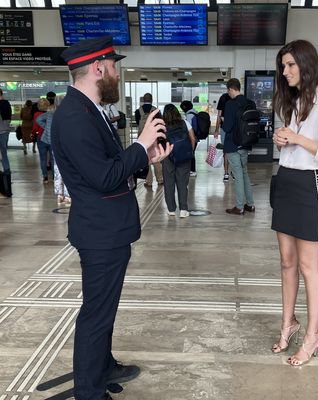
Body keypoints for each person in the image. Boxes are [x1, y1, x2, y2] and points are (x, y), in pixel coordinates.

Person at [51, 36, 171, 400]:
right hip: (100, 232)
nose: (118, 73)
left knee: (103, 309)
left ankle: (102, 367)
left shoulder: (88, 109)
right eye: (115, 66)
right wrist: (140, 143)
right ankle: (89, 390)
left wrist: (143, 159)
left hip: (108, 229)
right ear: (98, 67)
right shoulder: (74, 116)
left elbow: (106, 168)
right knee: (96, 314)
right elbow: (102, 178)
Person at [270, 40, 318, 366]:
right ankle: (288, 323)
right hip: (285, 181)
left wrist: (298, 138)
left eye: (290, 65)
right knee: (287, 262)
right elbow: (292, 146)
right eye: (283, 66)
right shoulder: (292, 100)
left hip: (309, 186)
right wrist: (281, 139)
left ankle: (312, 335)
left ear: (305, 64)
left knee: (307, 266)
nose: (285, 72)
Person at [222, 78, 256, 215]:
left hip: (233, 144)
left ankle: (239, 206)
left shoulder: (230, 104)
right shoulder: (250, 103)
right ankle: (250, 204)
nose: (228, 93)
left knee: (238, 175)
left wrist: (224, 122)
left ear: (231, 89)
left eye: (228, 91)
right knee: (244, 173)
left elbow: (228, 127)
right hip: (246, 143)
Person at [161, 104, 196, 217]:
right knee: (182, 182)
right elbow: (193, 138)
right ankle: (183, 210)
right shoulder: (185, 123)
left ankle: (171, 209)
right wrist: (190, 151)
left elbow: (158, 143)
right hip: (184, 156)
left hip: (168, 156)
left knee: (168, 183)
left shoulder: (163, 126)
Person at [37, 95, 70, 204]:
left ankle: (59, 194)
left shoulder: (51, 114)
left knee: (57, 169)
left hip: (53, 143)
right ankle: (67, 194)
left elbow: (39, 120)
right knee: (67, 168)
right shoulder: (67, 114)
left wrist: (46, 129)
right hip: (64, 144)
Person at [136, 93, 163, 187]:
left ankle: (148, 181)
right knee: (156, 157)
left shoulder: (138, 111)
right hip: (154, 137)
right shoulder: (156, 110)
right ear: (152, 99)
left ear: (143, 99)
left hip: (142, 138)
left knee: (146, 159)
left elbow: (137, 123)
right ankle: (160, 179)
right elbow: (160, 123)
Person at [214, 91, 231, 181]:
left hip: (224, 128)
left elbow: (219, 115)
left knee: (226, 150)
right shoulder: (238, 99)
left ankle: (226, 173)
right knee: (234, 150)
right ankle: (232, 172)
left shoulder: (223, 97)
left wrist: (217, 129)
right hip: (234, 129)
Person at [33, 98, 51, 183]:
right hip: (51, 137)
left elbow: (35, 127)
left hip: (40, 137)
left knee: (43, 158)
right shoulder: (51, 114)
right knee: (53, 158)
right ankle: (54, 177)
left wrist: (33, 133)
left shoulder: (36, 114)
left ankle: (45, 177)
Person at [180, 100, 198, 177]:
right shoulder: (195, 112)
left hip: (191, 137)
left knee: (191, 153)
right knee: (192, 152)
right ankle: (192, 169)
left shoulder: (189, 115)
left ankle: (192, 170)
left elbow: (189, 128)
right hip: (196, 136)